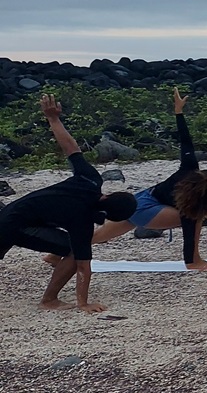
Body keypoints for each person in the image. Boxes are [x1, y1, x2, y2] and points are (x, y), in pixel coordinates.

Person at [55, 87, 207, 270]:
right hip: (147, 208)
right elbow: (189, 231)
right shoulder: (196, 201)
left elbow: (185, 141)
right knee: (196, 217)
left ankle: (55, 254)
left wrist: (178, 111)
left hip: (139, 200)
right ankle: (195, 260)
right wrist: (191, 262)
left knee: (99, 235)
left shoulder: (190, 168)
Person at [0, 94, 137, 313]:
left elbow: (71, 148)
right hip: (16, 223)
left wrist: (53, 119)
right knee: (73, 251)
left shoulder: (90, 179)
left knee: (67, 247)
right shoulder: (83, 223)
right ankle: (49, 300)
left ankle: (53, 276)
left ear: (109, 195)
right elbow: (83, 265)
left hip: (13, 211)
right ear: (110, 216)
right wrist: (83, 303)